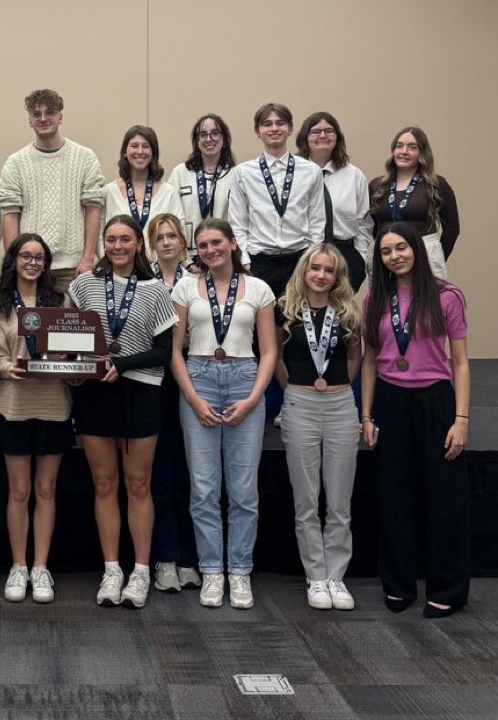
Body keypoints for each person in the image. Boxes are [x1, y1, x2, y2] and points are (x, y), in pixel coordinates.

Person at [360, 222, 469, 618]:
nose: (395, 256)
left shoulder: (447, 297)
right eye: (387, 251)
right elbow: (371, 361)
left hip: (436, 402)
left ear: (416, 250)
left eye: (401, 248)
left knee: (444, 499)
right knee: (394, 496)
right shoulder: (375, 299)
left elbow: (459, 362)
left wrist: (461, 419)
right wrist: (367, 414)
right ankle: (399, 584)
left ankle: (447, 587)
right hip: (391, 400)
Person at [69, 214, 178, 608]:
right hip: (96, 395)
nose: (117, 247)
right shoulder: (83, 285)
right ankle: (112, 569)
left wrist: (124, 365)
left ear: (138, 245)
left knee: (138, 485)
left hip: (141, 394)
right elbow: (69, 338)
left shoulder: (155, 290)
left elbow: (164, 352)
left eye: (125, 240)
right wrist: (78, 367)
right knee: (104, 484)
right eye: (111, 240)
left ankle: (141, 571)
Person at [170, 218, 277, 609]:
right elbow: (175, 351)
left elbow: (269, 351)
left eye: (217, 242)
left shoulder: (259, 288)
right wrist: (194, 400)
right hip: (198, 377)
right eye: (202, 245)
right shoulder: (184, 287)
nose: (210, 250)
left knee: (244, 489)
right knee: (203, 488)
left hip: (244, 379)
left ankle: (240, 572)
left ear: (232, 244)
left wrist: (252, 400)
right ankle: (212, 571)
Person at [275, 244, 362, 611]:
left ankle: (335, 577)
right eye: (316, 268)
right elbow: (276, 356)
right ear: (304, 271)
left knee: (339, 502)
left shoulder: (348, 313)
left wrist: (339, 388)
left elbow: (356, 356)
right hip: (300, 404)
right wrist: (293, 390)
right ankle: (315, 577)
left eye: (329, 270)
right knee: (306, 501)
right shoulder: (286, 311)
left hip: (341, 405)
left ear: (337, 276)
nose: (321, 275)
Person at [0, 233, 72, 604]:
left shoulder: (61, 302)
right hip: (14, 405)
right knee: (19, 491)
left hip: (54, 404)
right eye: (26, 256)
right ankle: (18, 565)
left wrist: (70, 363)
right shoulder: (0, 307)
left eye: (39, 257)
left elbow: (73, 353)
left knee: (46, 490)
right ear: (14, 260)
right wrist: (10, 368)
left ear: (46, 264)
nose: (33, 263)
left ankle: (41, 567)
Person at [0, 88, 106, 293]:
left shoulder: (85, 157)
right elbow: (10, 215)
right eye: (37, 114)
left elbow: (93, 208)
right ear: (29, 120)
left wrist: (88, 258)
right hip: (31, 267)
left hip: (74, 267)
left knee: (74, 324)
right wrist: (15, 263)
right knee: (30, 324)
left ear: (60, 117)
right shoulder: (15, 163)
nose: (43, 119)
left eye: (50, 113)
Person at [144, 214, 200, 593]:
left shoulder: (199, 281)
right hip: (154, 383)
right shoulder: (143, 284)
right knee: (160, 471)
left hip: (194, 380)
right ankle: (164, 558)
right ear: (151, 245)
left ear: (183, 241)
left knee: (192, 472)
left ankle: (191, 559)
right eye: (159, 237)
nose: (166, 242)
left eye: (172, 236)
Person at [228, 102, 326, 298]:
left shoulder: (311, 171)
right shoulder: (243, 173)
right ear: (258, 132)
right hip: (259, 262)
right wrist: (245, 261)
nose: (274, 128)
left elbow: (317, 221)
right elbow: (237, 223)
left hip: (299, 260)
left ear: (290, 129)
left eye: (280, 123)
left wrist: (311, 260)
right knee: (261, 325)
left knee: (296, 323)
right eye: (267, 124)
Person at [368, 127, 459, 280]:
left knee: (424, 303)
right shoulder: (377, 186)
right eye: (399, 146)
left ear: (422, 153)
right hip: (386, 260)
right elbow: (371, 226)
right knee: (385, 303)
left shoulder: (436, 184)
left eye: (412, 147)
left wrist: (435, 255)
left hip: (424, 257)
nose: (404, 151)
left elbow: (452, 229)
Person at [295, 112, 371, 292]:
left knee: (339, 311)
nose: (323, 135)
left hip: (344, 254)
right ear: (305, 138)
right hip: (303, 253)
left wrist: (359, 255)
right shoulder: (294, 174)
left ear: (337, 137)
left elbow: (364, 222)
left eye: (329, 131)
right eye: (315, 131)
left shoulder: (354, 175)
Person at [102, 126, 184, 253]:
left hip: (158, 269)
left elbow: (179, 235)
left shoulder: (169, 192)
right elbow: (100, 237)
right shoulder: (109, 193)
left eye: (146, 146)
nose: (140, 151)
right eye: (134, 146)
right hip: (120, 268)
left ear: (153, 152)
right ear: (125, 152)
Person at [167, 114, 237, 255]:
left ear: (224, 140)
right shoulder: (180, 173)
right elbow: (170, 217)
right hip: (187, 256)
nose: (209, 139)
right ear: (197, 142)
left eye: (215, 133)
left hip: (223, 254)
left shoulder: (236, 175)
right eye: (203, 135)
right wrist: (184, 261)